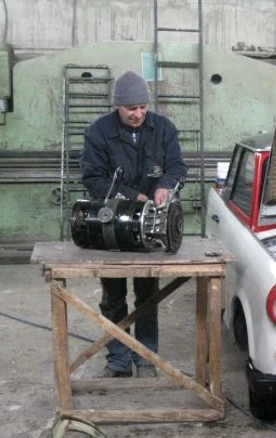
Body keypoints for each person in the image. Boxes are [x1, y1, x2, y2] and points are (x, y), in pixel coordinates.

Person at [79, 70, 188, 378]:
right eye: (131, 109)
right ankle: (118, 359)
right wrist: (132, 196)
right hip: (112, 224)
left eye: (143, 107)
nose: (138, 114)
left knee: (147, 292)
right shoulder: (97, 133)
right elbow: (93, 178)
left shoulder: (164, 129)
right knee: (113, 294)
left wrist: (166, 185)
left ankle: (145, 355)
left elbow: (178, 166)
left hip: (151, 225)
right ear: (117, 106)